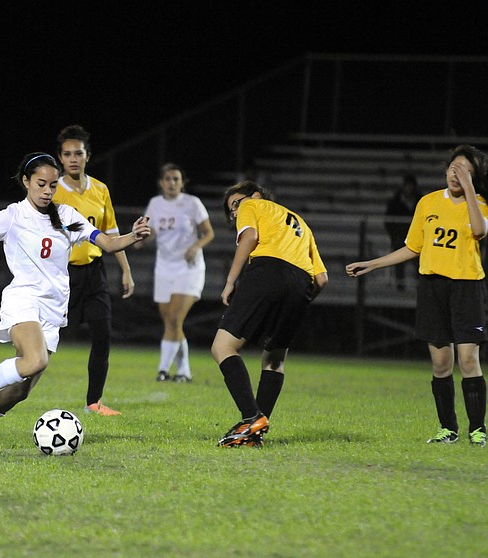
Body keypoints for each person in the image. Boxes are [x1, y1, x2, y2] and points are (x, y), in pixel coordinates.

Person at [0, 152, 151, 448]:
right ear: (26, 182)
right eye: (41, 184)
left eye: (52, 186)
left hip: (53, 310)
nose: (47, 191)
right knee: (34, 359)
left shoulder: (67, 218)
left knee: (19, 392)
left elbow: (108, 243)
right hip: (23, 300)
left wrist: (134, 235)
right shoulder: (12, 216)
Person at [347, 145, 488, 447]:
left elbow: (479, 231)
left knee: (467, 359)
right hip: (432, 287)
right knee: (440, 364)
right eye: (453, 167)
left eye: (464, 169)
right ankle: (447, 429)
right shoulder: (428, 202)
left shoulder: (479, 204)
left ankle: (478, 429)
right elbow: (413, 247)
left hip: (466, 287)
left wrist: (470, 190)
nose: (455, 173)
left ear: (474, 176)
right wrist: (372, 263)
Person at [212, 181, 328, 447]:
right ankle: (255, 433)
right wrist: (299, 300)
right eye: (231, 211)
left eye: (235, 204)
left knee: (223, 346)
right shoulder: (301, 223)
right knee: (275, 359)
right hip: (302, 283)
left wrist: (230, 281)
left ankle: (251, 417)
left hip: (268, 271)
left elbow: (250, 238)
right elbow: (322, 278)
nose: (234, 212)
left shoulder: (252, 205)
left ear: (255, 195)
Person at [51, 124, 133, 416]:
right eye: (67, 154)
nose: (73, 158)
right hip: (63, 274)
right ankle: (16, 384)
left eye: (78, 153)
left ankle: (93, 402)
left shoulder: (100, 189)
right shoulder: (53, 192)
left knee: (103, 335)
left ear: (87, 156)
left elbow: (110, 232)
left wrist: (125, 269)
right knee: (49, 339)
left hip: (95, 272)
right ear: (60, 158)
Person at [142, 163, 214, 382]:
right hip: (164, 268)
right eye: (168, 179)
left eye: (176, 179)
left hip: (188, 268)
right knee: (171, 323)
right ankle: (184, 372)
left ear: (182, 182)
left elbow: (208, 232)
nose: (172, 183)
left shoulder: (192, 203)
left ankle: (163, 370)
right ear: (160, 183)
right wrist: (141, 238)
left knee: (174, 317)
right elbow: (151, 231)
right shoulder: (155, 204)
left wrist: (195, 246)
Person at [384, 174, 421, 290]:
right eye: (407, 186)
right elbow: (388, 220)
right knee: (398, 264)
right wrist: (395, 234)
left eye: (411, 186)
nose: (409, 189)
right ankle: (400, 288)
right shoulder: (395, 202)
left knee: (419, 265)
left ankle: (420, 289)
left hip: (417, 239)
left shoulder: (422, 201)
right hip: (399, 238)